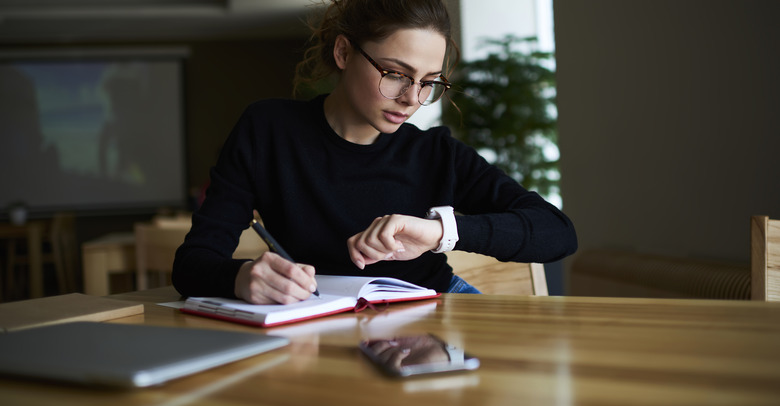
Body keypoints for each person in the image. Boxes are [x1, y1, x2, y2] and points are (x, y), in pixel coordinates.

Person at [172, 0, 577, 304]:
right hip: (320, 314)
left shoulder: (435, 152)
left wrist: (439, 233)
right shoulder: (268, 130)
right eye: (396, 74)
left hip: (435, 309)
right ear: (344, 53)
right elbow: (192, 264)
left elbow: (557, 232)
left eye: (428, 82)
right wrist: (241, 277)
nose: (411, 99)